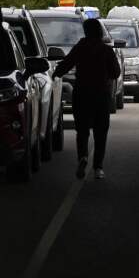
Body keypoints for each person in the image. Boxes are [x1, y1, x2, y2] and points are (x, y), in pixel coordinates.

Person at [53, 18, 121, 180]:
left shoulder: (80, 48)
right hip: (101, 96)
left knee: (82, 130)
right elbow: (116, 73)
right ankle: (98, 167)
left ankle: (82, 157)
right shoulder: (106, 50)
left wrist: (56, 74)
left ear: (86, 31)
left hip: (81, 94)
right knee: (100, 132)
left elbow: (66, 64)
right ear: (99, 31)